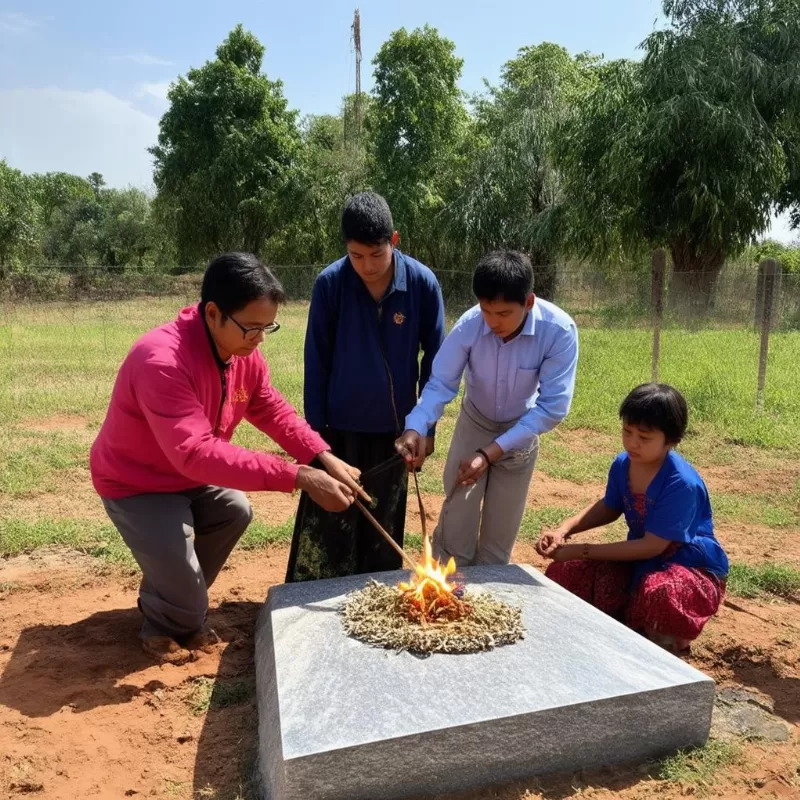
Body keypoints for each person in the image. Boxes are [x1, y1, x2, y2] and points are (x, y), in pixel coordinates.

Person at [91, 253, 362, 664]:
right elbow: (195, 453)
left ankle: (173, 594)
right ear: (213, 313)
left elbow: (270, 408)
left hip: (191, 477)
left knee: (234, 510)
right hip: (138, 484)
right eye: (252, 327)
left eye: (266, 327)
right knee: (187, 599)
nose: (259, 338)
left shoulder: (242, 351)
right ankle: (166, 617)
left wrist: (321, 454)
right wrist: (299, 476)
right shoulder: (161, 360)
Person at [285, 192, 445, 582]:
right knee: (330, 529)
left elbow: (437, 367)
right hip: (337, 433)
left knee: (382, 534)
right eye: (356, 256)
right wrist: (317, 445)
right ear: (346, 248)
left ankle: (372, 607)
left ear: (394, 240)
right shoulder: (331, 284)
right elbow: (316, 363)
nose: (367, 266)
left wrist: (426, 429)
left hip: (396, 436)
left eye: (376, 254)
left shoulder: (422, 284)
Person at [396, 250, 579, 567]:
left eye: (505, 313)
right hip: (474, 423)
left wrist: (491, 452)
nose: (493, 322)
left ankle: (486, 602)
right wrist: (416, 426)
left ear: (529, 302)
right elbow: (441, 384)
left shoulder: (559, 331)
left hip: (522, 430)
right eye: (487, 311)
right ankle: (443, 600)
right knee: (455, 529)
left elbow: (552, 407)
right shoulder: (470, 326)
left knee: (499, 539)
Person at [537, 383, 729, 653]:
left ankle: (666, 652)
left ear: (671, 440)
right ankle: (601, 641)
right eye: (627, 432)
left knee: (662, 592)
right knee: (567, 571)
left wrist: (581, 550)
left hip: (688, 565)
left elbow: (653, 546)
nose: (632, 443)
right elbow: (610, 506)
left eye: (644, 437)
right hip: (642, 557)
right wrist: (563, 529)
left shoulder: (682, 483)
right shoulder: (623, 464)